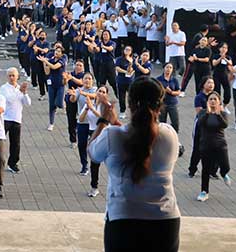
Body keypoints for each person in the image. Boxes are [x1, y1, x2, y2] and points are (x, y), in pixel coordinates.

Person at [88, 77, 180, 252]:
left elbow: (92, 153)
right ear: (160, 105)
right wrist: (115, 124)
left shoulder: (111, 135)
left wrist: (104, 121)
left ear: (129, 104)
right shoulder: (170, 135)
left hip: (124, 220)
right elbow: (142, 138)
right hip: (165, 222)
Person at [195, 92, 232, 202]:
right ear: (207, 102)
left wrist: (217, 113)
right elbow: (200, 124)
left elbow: (225, 125)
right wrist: (207, 112)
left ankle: (223, 173)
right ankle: (204, 191)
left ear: (219, 102)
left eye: (215, 99)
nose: (212, 101)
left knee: (225, 166)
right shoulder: (202, 112)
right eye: (210, 99)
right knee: (206, 169)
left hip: (220, 145)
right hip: (206, 145)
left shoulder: (222, 114)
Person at [0, 67, 30, 173]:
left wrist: (25, 93)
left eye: (14, 75)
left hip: (16, 119)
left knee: (15, 143)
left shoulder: (20, 88)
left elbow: (28, 103)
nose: (12, 77)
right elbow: (9, 99)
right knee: (0, 141)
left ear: (17, 76)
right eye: (10, 75)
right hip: (5, 118)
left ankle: (13, 163)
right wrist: (20, 92)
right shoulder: (4, 88)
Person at [188, 76, 216, 178]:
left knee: (214, 149)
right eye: (209, 83)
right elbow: (200, 112)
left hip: (213, 126)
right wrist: (210, 109)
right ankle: (192, 169)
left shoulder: (215, 96)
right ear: (203, 84)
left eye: (212, 83)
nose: (211, 85)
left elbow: (219, 109)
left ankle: (212, 171)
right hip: (201, 125)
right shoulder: (199, 97)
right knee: (197, 149)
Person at [156, 63, 183, 156]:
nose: (168, 69)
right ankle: (162, 142)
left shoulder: (174, 79)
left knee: (175, 123)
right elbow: (155, 92)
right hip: (162, 105)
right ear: (164, 68)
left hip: (172, 104)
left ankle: (174, 140)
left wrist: (171, 92)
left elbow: (179, 91)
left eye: (170, 68)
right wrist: (163, 91)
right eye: (167, 67)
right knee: (162, 123)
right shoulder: (158, 79)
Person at [39, 46, 66, 131]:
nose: (56, 53)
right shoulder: (51, 60)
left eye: (58, 51)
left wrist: (45, 61)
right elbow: (47, 72)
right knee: (51, 105)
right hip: (51, 84)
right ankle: (51, 123)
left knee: (58, 103)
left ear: (62, 54)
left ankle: (64, 104)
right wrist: (44, 63)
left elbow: (54, 67)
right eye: (55, 51)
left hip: (60, 84)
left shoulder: (62, 60)